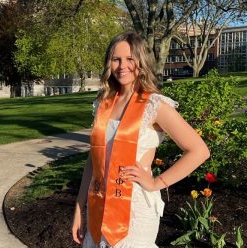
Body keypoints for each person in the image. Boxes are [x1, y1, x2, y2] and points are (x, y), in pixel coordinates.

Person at [72, 31, 210, 248]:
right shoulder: (103, 104)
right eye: (116, 59)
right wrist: (79, 207)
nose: (122, 66)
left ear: (141, 61)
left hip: (134, 209)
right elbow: (94, 160)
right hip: (99, 204)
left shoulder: (155, 105)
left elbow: (199, 150)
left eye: (130, 59)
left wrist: (156, 183)